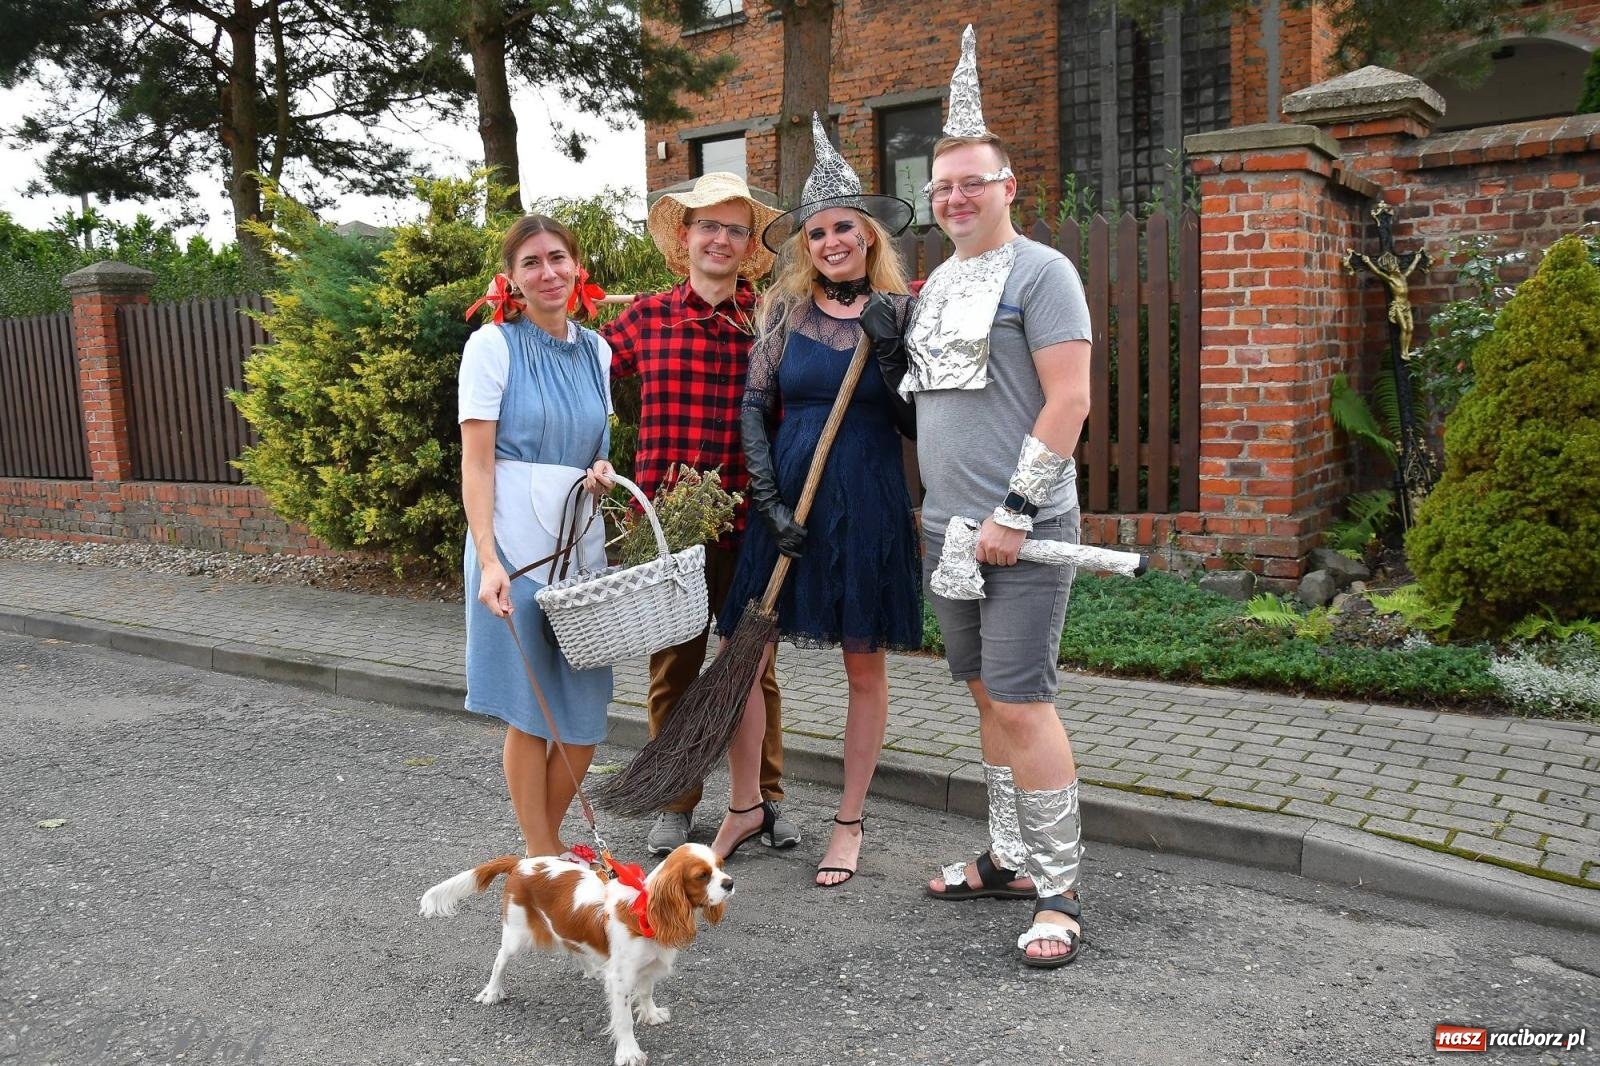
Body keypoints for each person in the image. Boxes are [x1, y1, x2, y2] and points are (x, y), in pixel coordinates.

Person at [908, 27, 1093, 968]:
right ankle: (1009, 860)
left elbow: (1070, 400)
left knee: (1022, 702)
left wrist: (1016, 512)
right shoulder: (936, 283)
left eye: (973, 180)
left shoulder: (1043, 272)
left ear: (1007, 186)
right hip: (948, 535)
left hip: (1021, 533)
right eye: (943, 185)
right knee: (985, 699)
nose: (956, 196)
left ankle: (1059, 895)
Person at [711, 114, 920, 887]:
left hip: (865, 501)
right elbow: (751, 407)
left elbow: (913, 423)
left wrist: (892, 350)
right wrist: (767, 499)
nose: (832, 241)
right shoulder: (782, 315)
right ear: (806, 246)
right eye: (819, 233)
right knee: (743, 653)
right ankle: (744, 807)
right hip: (788, 503)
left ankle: (849, 820)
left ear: (868, 236)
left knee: (863, 668)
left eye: (845, 228)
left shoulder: (901, 313)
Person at [600, 173, 801, 857]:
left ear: (749, 247)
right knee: (675, 669)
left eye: (734, 229)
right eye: (707, 226)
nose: (720, 239)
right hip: (671, 526)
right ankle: (675, 798)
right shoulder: (646, 319)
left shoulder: (771, 321)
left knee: (753, 670)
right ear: (684, 239)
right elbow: (579, 378)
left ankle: (765, 798)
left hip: (753, 521)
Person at [458, 214, 617, 858]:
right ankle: (545, 859)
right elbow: (476, 461)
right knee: (532, 712)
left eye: (557, 258)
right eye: (531, 262)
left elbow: (591, 447)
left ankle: (539, 859)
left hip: (578, 547)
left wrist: (602, 470)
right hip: (513, 548)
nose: (547, 272)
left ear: (577, 268)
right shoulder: (491, 347)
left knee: (582, 718)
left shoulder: (598, 351)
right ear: (513, 279)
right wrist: (489, 561)